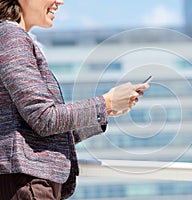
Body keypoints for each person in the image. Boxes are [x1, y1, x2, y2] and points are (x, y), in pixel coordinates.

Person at [0, 0, 149, 199]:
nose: (60, 1)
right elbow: (45, 119)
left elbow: (43, 133)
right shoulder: (12, 37)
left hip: (28, 184)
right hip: (27, 184)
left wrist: (106, 111)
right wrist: (106, 102)